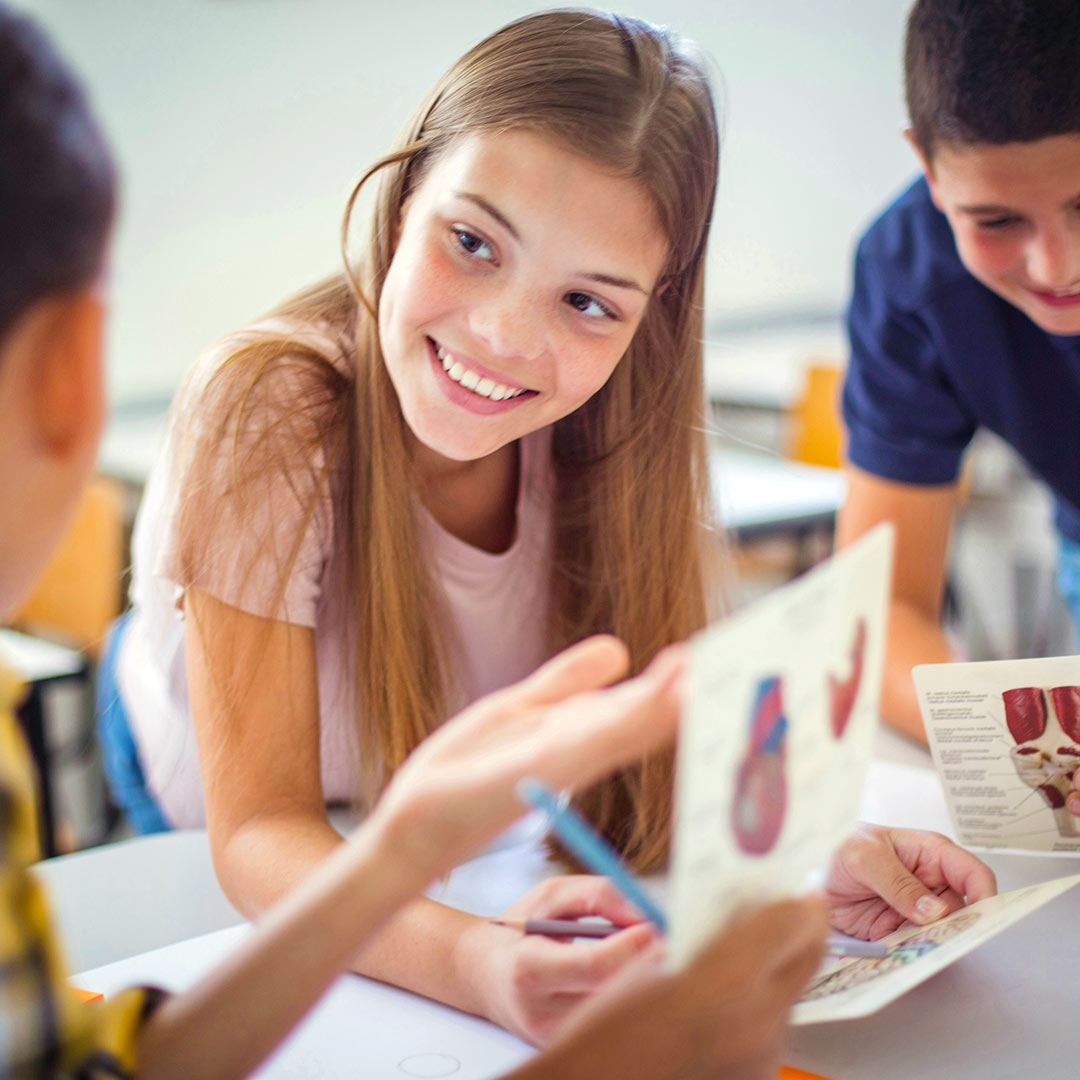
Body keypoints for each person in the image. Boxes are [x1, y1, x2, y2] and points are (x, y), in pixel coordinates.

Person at [0, 8, 998, 1074]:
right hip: (221, 789)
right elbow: (256, 838)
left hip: (413, 804)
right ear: (401, 200)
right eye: (472, 242)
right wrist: (481, 966)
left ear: (649, 320)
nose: (503, 337)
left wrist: (802, 856)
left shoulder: (628, 433)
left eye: (587, 303)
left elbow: (663, 737)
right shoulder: (266, 406)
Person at [836, 0, 1080, 771]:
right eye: (997, 220)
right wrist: (1017, 742)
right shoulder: (908, 276)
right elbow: (882, 612)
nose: (1057, 266)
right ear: (928, 168)